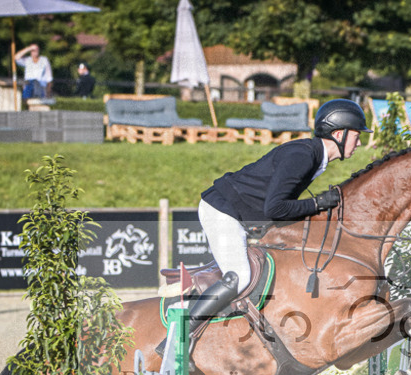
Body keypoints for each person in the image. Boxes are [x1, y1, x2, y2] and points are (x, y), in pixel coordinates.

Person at [158, 99, 371, 359]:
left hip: (240, 213)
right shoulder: (303, 155)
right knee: (239, 277)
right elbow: (275, 209)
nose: (359, 142)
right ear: (339, 134)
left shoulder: (313, 156)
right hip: (223, 211)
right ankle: (176, 339)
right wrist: (317, 203)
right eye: (357, 135)